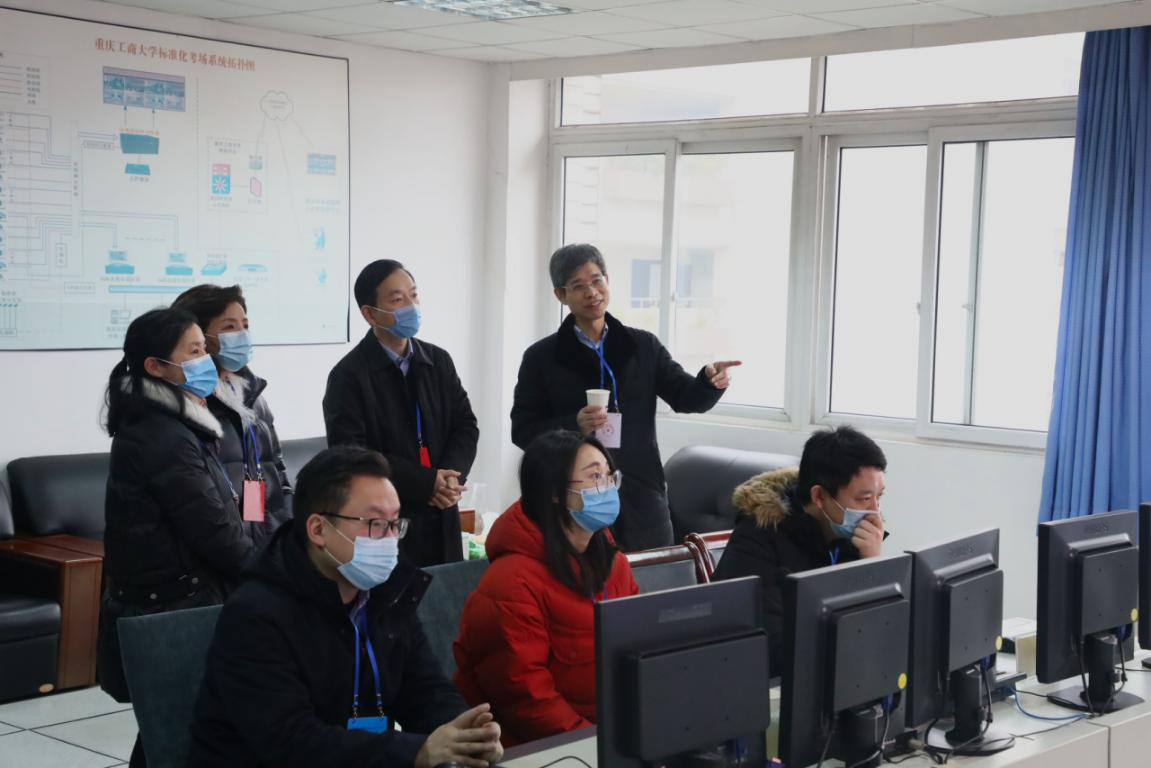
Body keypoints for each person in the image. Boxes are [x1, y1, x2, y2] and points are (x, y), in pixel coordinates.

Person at [188, 446, 504, 768]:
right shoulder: (256, 614)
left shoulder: (387, 592)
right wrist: (416, 752)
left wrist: (465, 735)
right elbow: (291, 741)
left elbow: (424, 687)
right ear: (318, 529)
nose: (390, 538)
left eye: (395, 523)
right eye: (375, 523)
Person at [99, 307, 254, 766]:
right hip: (175, 606)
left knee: (174, 727)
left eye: (204, 349)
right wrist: (271, 570)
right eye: (193, 352)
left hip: (179, 597)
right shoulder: (162, 434)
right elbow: (213, 530)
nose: (206, 360)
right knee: (179, 729)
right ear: (155, 366)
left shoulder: (171, 423)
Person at [511, 243, 740, 551]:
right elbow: (523, 430)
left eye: (597, 280)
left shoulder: (642, 346)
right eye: (578, 286)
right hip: (577, 501)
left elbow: (686, 397)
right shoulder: (541, 357)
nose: (592, 292)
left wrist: (709, 382)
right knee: (583, 577)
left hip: (642, 495)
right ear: (560, 295)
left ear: (607, 281)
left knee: (651, 576)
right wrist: (573, 425)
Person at [453, 430, 639, 746]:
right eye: (595, 478)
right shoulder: (510, 584)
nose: (607, 489)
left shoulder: (614, 563)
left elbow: (638, 647)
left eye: (610, 477)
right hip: (543, 748)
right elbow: (526, 699)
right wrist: (594, 747)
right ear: (555, 492)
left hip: (610, 734)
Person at [324, 259, 479, 567]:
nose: (411, 306)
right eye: (397, 299)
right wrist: (425, 483)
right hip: (387, 520)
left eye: (414, 295)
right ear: (370, 314)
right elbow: (352, 454)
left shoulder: (438, 360)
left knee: (445, 592)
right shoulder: (348, 376)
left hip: (442, 513)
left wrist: (450, 479)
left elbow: (466, 425)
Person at [712, 426, 887, 675]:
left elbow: (879, 631)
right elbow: (770, 650)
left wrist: (872, 567)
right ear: (819, 496)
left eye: (879, 497)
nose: (875, 511)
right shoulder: (757, 541)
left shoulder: (854, 541)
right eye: (864, 499)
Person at [173, 284, 292, 549]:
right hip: (223, 547)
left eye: (245, 325)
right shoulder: (191, 403)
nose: (242, 334)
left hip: (268, 540)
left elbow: (277, 468)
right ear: (198, 336)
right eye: (229, 327)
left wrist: (288, 528)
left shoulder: (254, 396)